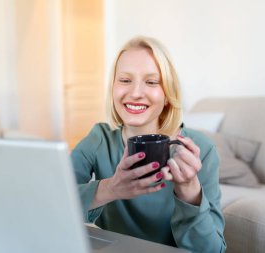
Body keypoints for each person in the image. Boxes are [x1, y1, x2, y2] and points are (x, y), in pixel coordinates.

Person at [70, 36, 227, 253]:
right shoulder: (99, 140)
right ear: (113, 88)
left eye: (152, 82)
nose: (135, 93)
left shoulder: (202, 149)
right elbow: (50, 203)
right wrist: (110, 188)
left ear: (168, 95)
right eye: (125, 80)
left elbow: (211, 250)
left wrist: (189, 191)